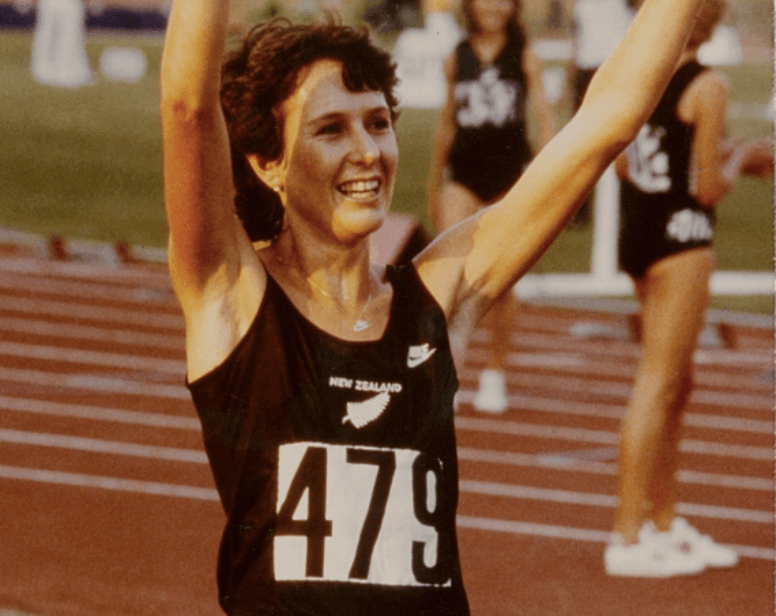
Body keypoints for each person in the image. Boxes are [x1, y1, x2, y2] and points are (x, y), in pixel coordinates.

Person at [159, 0, 707, 611]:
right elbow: (188, 107)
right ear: (269, 164)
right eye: (330, 129)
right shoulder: (232, 295)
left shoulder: (435, 300)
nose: (367, 150)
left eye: (377, 123)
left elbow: (607, 121)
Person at [604, 0, 773, 578]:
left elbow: (625, 165)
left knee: (676, 382)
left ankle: (664, 522)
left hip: (639, 237)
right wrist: (742, 157)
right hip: (683, 243)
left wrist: (714, 158)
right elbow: (705, 189)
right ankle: (626, 537)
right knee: (657, 385)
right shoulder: (708, 85)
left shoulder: (638, 78)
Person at [426, 0, 555, 413]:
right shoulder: (456, 56)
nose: (493, 7)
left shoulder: (525, 55)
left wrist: (546, 170)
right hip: (463, 174)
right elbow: (447, 121)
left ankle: (495, 372)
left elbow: (542, 114)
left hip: (508, 176)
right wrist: (434, 184)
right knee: (447, 272)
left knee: (502, 280)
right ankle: (443, 370)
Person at [565, 0, 635, 228]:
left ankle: (627, 208)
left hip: (617, 68)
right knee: (581, 146)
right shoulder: (581, 5)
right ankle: (579, 211)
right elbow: (577, 40)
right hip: (586, 72)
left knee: (622, 143)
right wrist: (570, 76)